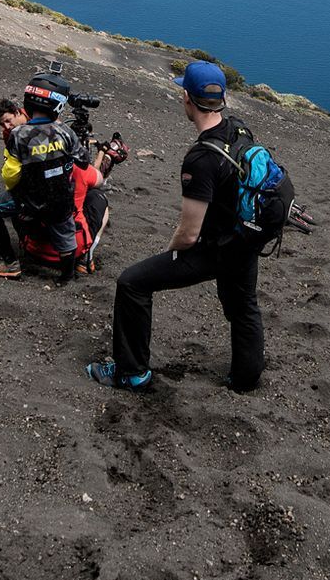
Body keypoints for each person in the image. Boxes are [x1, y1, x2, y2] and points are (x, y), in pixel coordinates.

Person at [87, 60, 265, 392]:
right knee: (244, 307)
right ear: (222, 99)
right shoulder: (240, 128)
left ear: (186, 97)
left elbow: (189, 234)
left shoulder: (200, 159)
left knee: (132, 283)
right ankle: (246, 379)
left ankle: (131, 373)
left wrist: (169, 252)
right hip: (246, 238)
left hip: (216, 247)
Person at [0, 75, 87, 279]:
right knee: (66, 237)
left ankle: (10, 263)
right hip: (61, 199)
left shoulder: (19, 135)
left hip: (30, 202)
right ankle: (66, 277)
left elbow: (10, 176)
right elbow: (83, 161)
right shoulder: (65, 131)